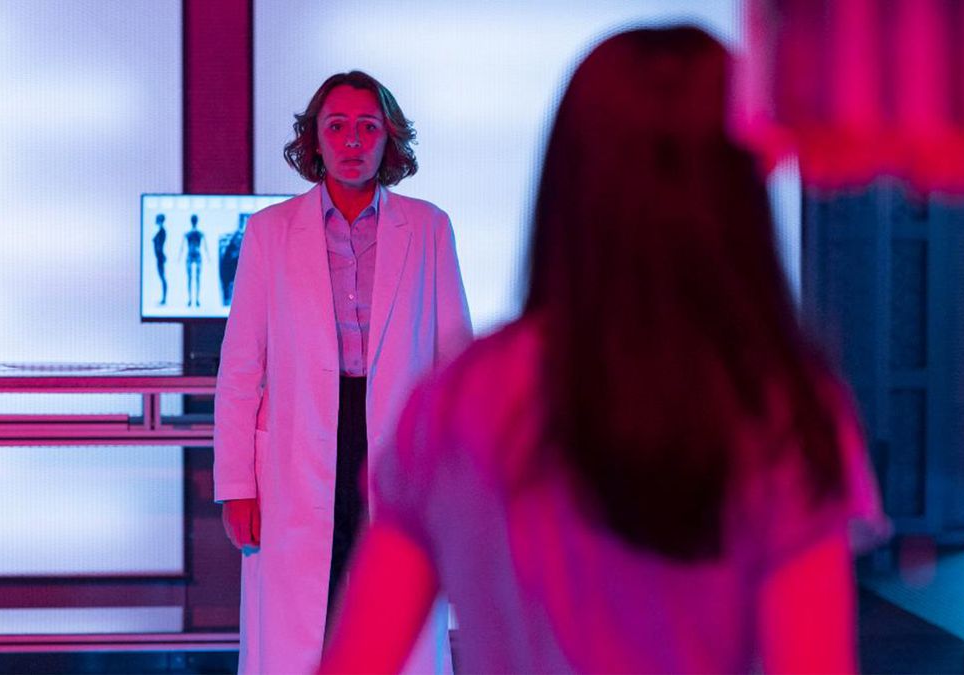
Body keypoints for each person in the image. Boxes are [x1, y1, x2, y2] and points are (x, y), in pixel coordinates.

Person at [319, 27, 888, 674]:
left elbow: (356, 659)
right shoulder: (781, 408)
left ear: (566, 176)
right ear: (740, 185)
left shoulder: (457, 401)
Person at [214, 70, 472, 674]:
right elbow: (241, 367)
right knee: (307, 618)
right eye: (337, 127)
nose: (352, 140)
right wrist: (236, 485)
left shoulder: (429, 227)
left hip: (398, 446)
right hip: (296, 450)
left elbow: (455, 363)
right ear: (315, 141)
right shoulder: (270, 233)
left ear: (389, 139)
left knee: (392, 609)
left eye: (367, 126)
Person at [177, 214, 209, 307]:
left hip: (191, 255)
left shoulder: (189, 233)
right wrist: (208, 257)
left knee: (191, 278)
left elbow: (182, 248)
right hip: (195, 255)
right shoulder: (198, 233)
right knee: (195, 278)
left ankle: (192, 300)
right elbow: (205, 247)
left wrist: (179, 257)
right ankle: (194, 300)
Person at [153, 213, 168, 305]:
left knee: (162, 278)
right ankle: (163, 299)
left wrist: (161, 255)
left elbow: (159, 246)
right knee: (162, 277)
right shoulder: (160, 231)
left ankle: (164, 299)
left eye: (158, 219)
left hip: (160, 257)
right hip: (159, 256)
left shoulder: (162, 232)